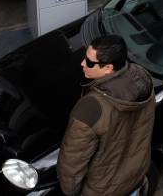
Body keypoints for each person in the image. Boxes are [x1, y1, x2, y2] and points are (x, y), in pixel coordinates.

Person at [57, 34, 155, 196]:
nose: (82, 63)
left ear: (108, 68)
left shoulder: (90, 108)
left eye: (89, 62)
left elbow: (72, 162)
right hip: (137, 176)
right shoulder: (143, 79)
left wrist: (71, 192)